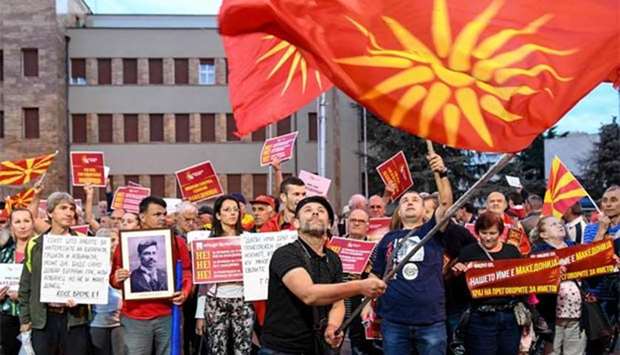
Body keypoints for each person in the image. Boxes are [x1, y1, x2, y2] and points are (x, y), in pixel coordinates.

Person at [259, 196, 387, 354]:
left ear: (329, 224)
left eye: (321, 211)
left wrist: (333, 325)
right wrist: (360, 286)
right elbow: (309, 294)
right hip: (282, 348)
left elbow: (338, 302)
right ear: (296, 223)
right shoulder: (285, 254)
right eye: (308, 210)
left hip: (319, 346)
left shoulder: (333, 258)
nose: (315, 213)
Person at [364, 152, 453, 355]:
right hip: (394, 321)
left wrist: (441, 173)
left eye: (415, 200)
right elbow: (375, 274)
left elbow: (446, 204)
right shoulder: (387, 239)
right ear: (399, 212)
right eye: (405, 201)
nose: (410, 202)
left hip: (430, 321)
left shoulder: (433, 231)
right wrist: (367, 304)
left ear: (424, 211)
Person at [110, 196, 192, 355]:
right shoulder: (126, 243)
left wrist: (185, 292)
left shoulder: (177, 242)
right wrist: (117, 278)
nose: (162, 218)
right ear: (142, 216)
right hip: (135, 316)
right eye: (157, 214)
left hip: (168, 314)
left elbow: (187, 271)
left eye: (164, 214)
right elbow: (113, 277)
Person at [18, 192, 90, 354]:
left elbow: (91, 281)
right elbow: (26, 284)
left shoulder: (83, 241)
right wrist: (25, 319)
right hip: (43, 319)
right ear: (50, 213)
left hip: (74, 319)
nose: (69, 212)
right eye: (63, 208)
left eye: (72, 208)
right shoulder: (35, 244)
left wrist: (82, 297)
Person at [452, 212, 522, 355]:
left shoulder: (512, 251)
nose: (488, 237)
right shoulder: (468, 252)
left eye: (492, 233)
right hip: (480, 316)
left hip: (509, 315)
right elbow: (459, 291)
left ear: (500, 233)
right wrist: (458, 274)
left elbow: (522, 279)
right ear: (477, 232)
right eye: (484, 233)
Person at [195, 195, 254, 354]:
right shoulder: (207, 242)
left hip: (243, 300)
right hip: (215, 301)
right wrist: (200, 314)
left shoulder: (250, 240)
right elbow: (202, 282)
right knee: (217, 349)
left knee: (243, 349)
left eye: (235, 209)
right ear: (218, 215)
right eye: (227, 210)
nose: (233, 213)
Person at [531, 217, 586, 355]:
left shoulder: (575, 246)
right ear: (543, 234)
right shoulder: (538, 253)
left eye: (560, 223)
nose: (560, 225)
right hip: (551, 312)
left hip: (576, 311)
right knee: (552, 350)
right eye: (553, 224)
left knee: (575, 351)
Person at [342, 208, 380, 355]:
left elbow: (380, 273)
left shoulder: (376, 248)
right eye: (353, 220)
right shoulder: (334, 245)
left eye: (361, 221)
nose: (356, 223)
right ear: (347, 223)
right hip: (337, 301)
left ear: (367, 225)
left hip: (363, 304)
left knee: (360, 347)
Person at [0, 208, 36, 355]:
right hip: (5, 315)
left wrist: (23, 294)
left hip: (32, 317)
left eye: (26, 221)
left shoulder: (41, 252)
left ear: (33, 223)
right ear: (11, 226)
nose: (22, 226)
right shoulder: (4, 253)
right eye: (18, 222)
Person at [91, 228, 125, 355]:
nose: (112, 244)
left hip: (120, 321)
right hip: (97, 321)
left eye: (114, 240)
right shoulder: (90, 265)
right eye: (108, 241)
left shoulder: (123, 262)